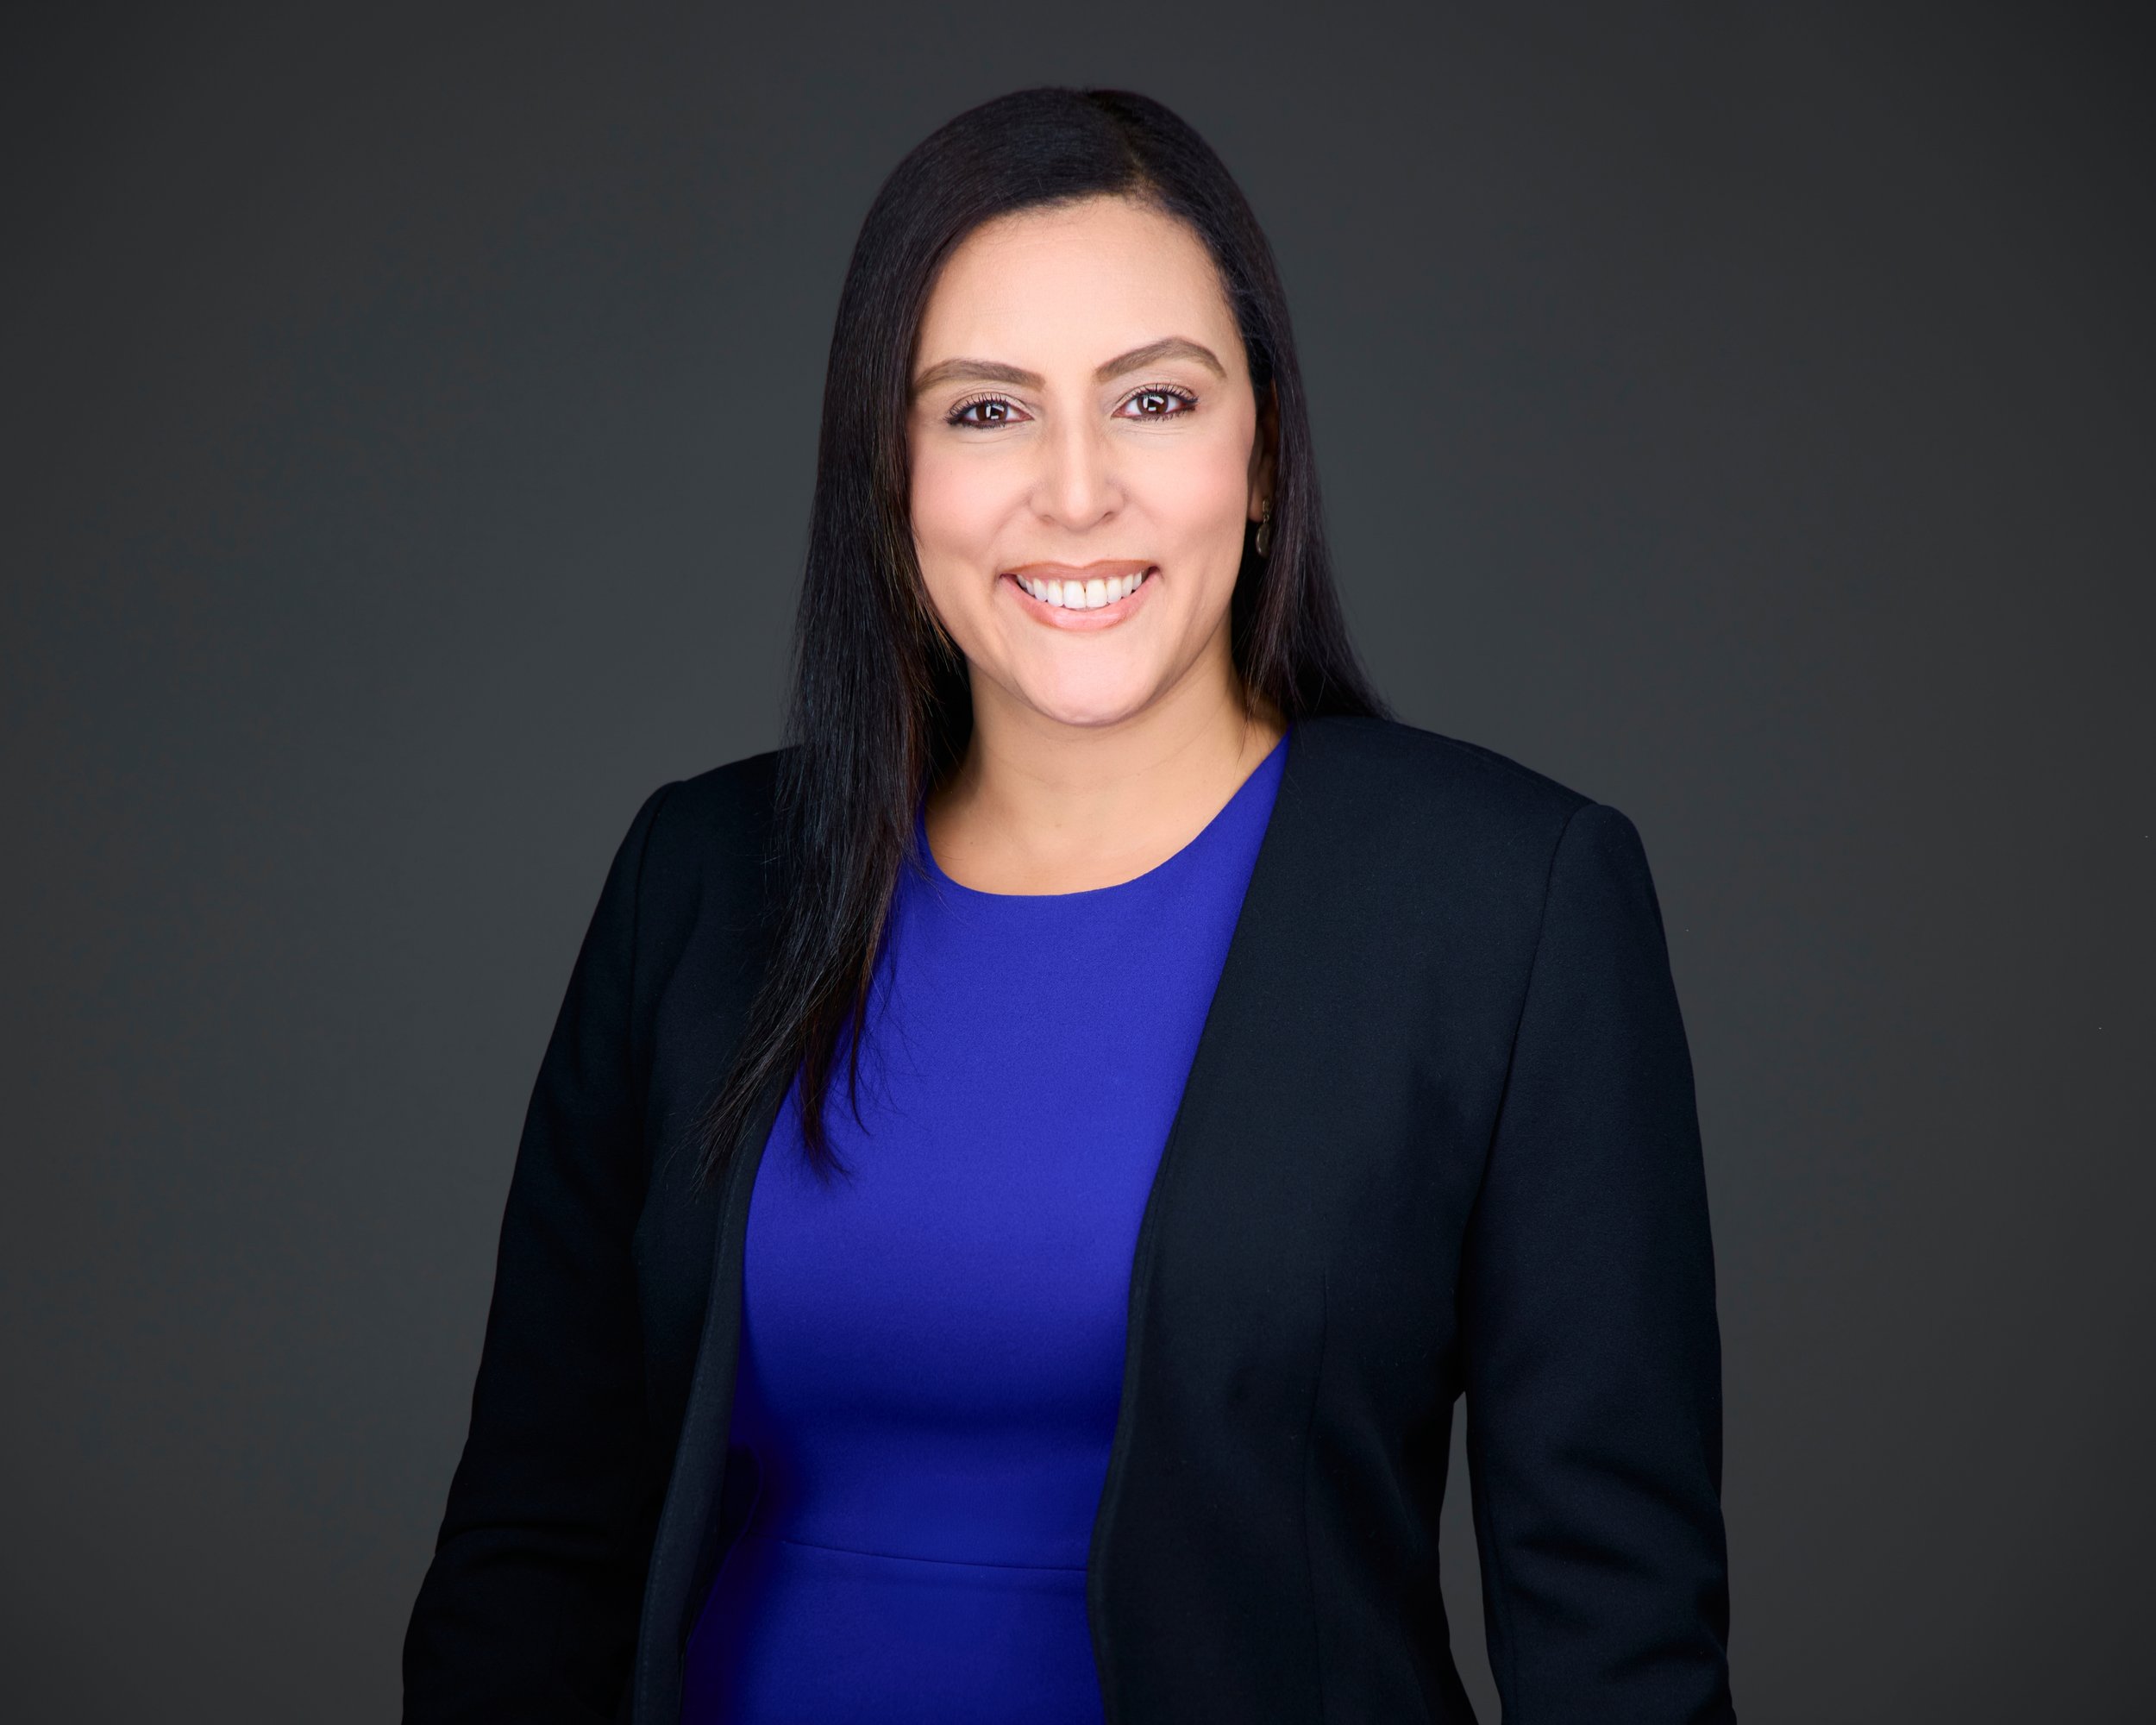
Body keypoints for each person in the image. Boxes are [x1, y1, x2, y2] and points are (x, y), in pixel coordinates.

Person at [402, 86, 1735, 1725]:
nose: (1076, 491)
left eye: (1156, 399)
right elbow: (531, 1550)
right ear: (889, 482)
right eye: (984, 413)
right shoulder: (698, 876)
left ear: (1263, 459)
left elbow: (1616, 1629)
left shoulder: (1503, 902)